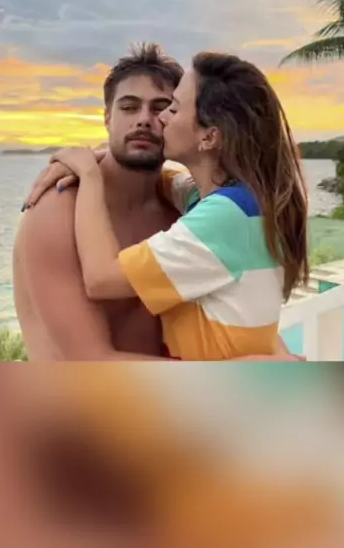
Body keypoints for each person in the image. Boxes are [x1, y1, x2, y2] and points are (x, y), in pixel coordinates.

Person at [15, 43, 301, 361]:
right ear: (107, 117)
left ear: (206, 134)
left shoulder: (190, 213)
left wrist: (272, 351)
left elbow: (233, 299)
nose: (146, 120)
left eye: (166, 108)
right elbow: (91, 362)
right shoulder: (58, 212)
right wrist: (90, 163)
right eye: (129, 107)